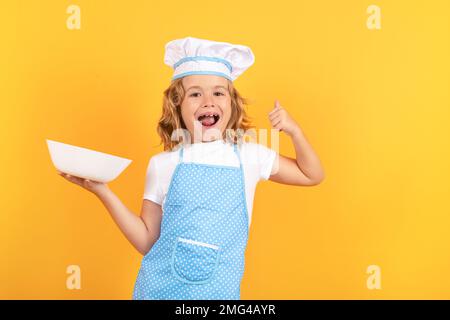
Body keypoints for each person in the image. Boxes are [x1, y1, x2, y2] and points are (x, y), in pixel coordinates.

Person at [59, 36, 325, 300]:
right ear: (177, 105)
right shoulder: (163, 164)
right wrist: (103, 191)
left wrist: (295, 132)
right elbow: (148, 242)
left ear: (232, 105)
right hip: (157, 291)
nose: (208, 101)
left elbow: (311, 174)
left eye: (218, 92)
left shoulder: (249, 156)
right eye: (195, 93)